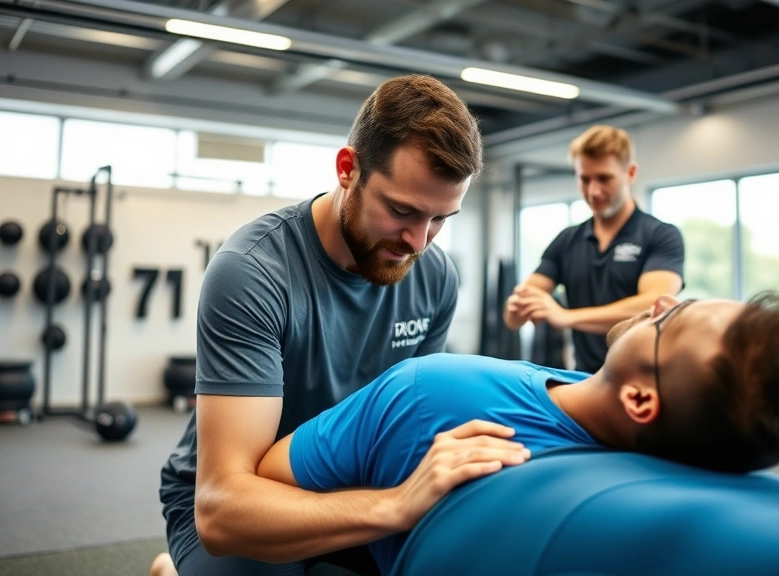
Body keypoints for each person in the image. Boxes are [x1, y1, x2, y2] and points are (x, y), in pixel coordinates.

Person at [152, 75, 530, 576]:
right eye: (402, 210)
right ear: (348, 169)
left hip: (354, 482)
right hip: (247, 496)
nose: (418, 242)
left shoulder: (434, 276)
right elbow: (223, 509)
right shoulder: (252, 271)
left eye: (441, 218)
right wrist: (395, 507)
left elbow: (410, 426)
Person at [257, 292, 779, 576]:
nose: (660, 301)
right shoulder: (696, 452)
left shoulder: (431, 389)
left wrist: (394, 506)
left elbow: (267, 477)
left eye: (671, 319)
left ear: (639, 401)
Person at [505, 125, 685, 373]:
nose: (593, 191)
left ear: (630, 173)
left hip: (644, 379)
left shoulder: (661, 235)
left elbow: (654, 305)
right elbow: (514, 317)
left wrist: (566, 316)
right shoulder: (567, 241)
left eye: (604, 178)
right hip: (585, 379)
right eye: (585, 179)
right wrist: (518, 306)